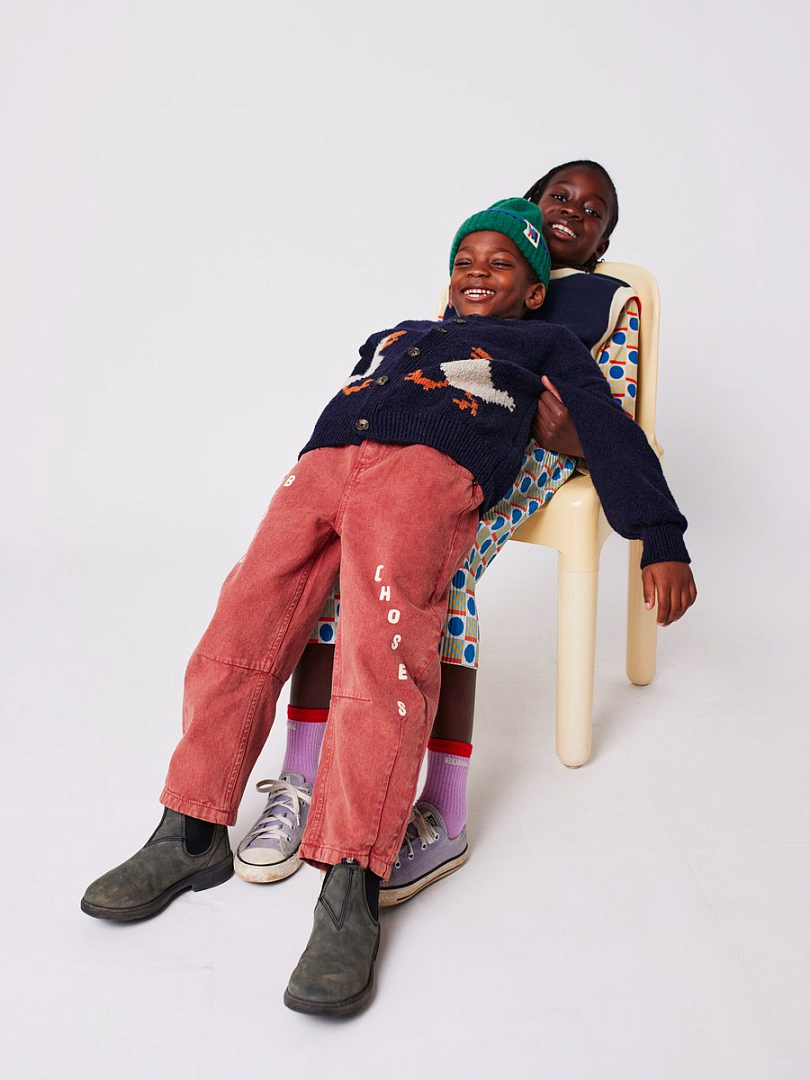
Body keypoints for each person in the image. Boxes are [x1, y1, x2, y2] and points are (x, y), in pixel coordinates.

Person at [81, 197, 696, 1016]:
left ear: (536, 291)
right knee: (240, 625)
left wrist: (659, 535)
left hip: (426, 477)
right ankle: (189, 831)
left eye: (501, 264)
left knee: (384, 655)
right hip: (325, 466)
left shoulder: (547, 344)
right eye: (465, 260)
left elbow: (610, 430)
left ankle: (351, 884)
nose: (477, 272)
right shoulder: (399, 331)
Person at [233, 161, 647, 902]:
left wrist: (573, 437)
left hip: (542, 455)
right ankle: (304, 775)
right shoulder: (488, 271)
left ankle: (444, 809)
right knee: (340, 556)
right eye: (560, 197)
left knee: (436, 572)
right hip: (447, 446)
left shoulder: (613, 303)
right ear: (530, 204)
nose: (573, 213)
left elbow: (617, 417)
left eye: (594, 212)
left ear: (604, 241)